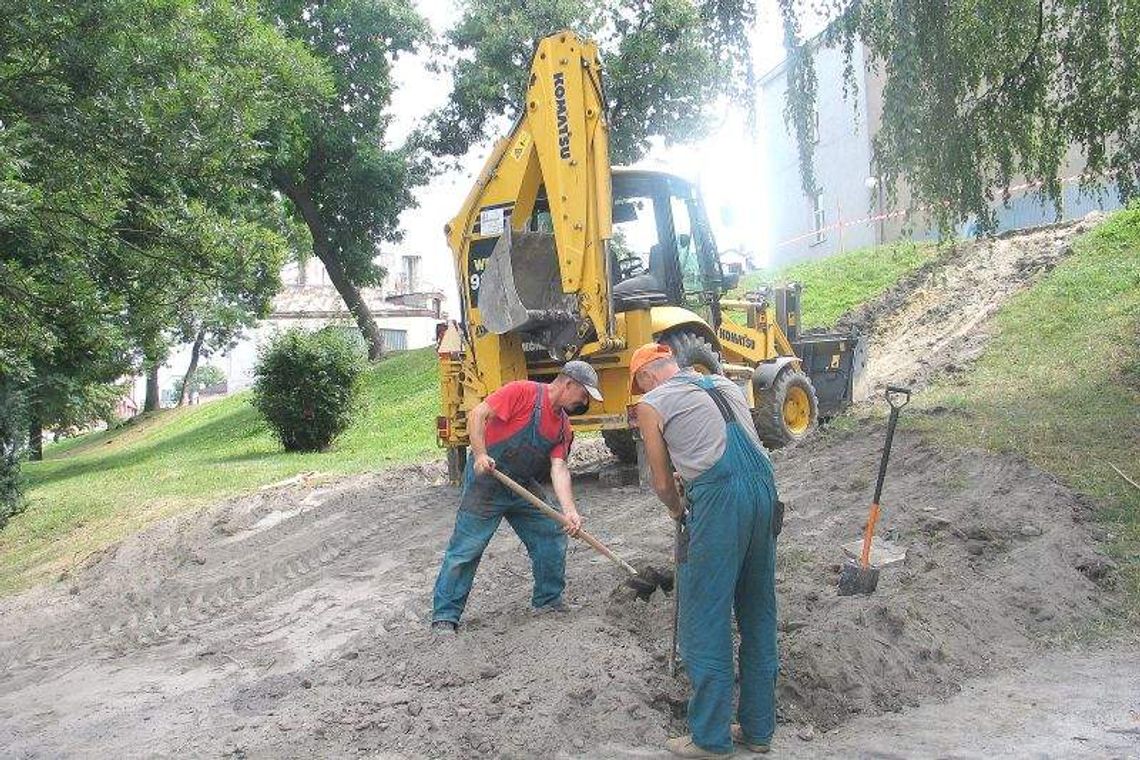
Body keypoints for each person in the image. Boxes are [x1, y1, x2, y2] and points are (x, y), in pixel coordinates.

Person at [631, 343, 780, 758]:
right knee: (758, 611)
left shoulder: (651, 403)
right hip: (765, 494)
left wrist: (680, 511)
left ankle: (710, 738)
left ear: (645, 378)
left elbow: (661, 483)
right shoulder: (724, 384)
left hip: (719, 501)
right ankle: (757, 730)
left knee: (705, 615)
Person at [430, 360, 603, 633]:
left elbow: (559, 468)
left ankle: (548, 601)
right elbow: (477, 414)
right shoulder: (522, 392)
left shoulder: (562, 428)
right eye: (584, 394)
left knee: (551, 533)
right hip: (487, 482)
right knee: (467, 548)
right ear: (569, 383)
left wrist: (569, 510)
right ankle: (445, 616)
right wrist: (480, 454)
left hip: (521, 485)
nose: (584, 401)